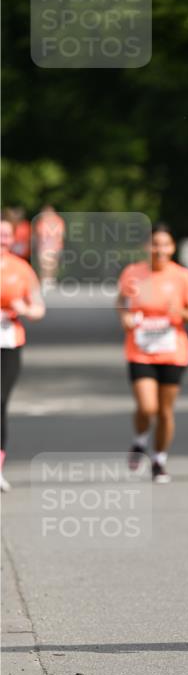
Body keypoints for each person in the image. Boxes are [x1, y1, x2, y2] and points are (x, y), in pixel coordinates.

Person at [116, 224, 188, 484]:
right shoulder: (133, 273)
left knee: (165, 411)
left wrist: (180, 312)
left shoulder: (183, 276)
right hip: (140, 350)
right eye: (155, 244)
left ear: (172, 248)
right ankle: (140, 440)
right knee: (147, 406)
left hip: (173, 351)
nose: (160, 249)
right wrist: (125, 317)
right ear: (147, 247)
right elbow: (120, 301)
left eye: (165, 245)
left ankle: (159, 460)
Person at [0, 218, 45, 491]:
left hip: (9, 342)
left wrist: (24, 310)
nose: (2, 240)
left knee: (0, 400)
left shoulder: (22, 269)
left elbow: (39, 308)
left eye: (6, 235)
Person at [34, 205, 65, 284]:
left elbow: (60, 234)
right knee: (44, 264)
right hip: (44, 246)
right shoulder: (41, 222)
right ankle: (44, 279)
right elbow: (39, 234)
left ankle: (50, 279)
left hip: (54, 246)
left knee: (52, 264)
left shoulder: (58, 221)